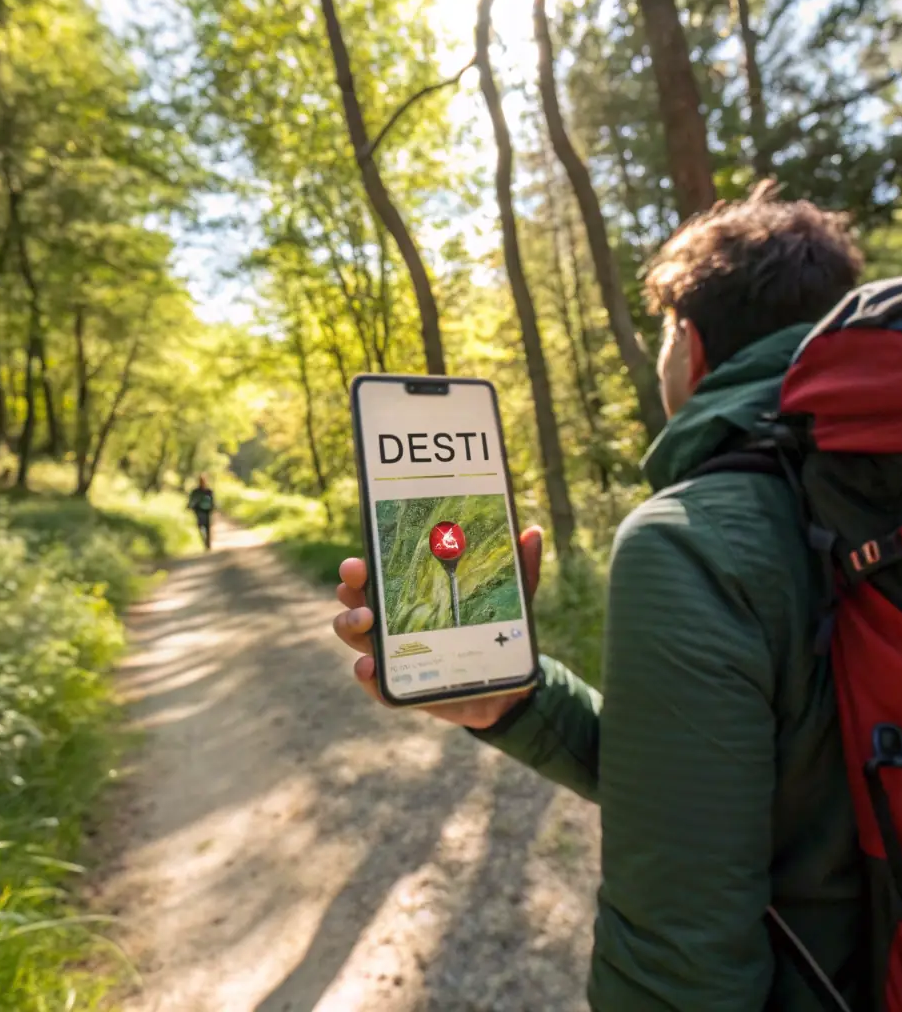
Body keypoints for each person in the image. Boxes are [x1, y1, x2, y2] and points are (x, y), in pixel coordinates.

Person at [333, 182, 868, 1011]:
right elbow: (717, 783)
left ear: (687, 346)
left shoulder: (690, 536)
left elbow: (680, 944)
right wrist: (515, 703)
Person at [187, 474, 215, 551]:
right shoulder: (195, 491)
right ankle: (205, 542)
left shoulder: (209, 491)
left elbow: (212, 501)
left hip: (207, 512)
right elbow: (191, 501)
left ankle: (208, 544)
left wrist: (212, 507)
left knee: (207, 528)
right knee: (200, 527)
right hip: (198, 512)